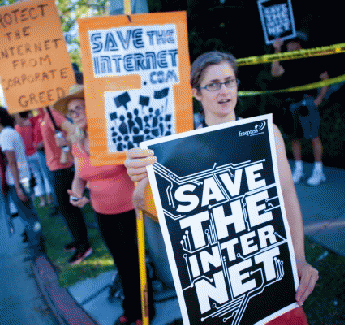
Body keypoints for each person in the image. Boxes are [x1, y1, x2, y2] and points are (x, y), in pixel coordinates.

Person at [124, 51, 318, 324]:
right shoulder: (178, 153)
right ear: (196, 93)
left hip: (274, 282)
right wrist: (140, 177)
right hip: (219, 292)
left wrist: (298, 257)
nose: (224, 91)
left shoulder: (266, 135)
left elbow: (287, 196)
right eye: (212, 84)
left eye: (229, 81)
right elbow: (149, 209)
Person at [57, 84, 154, 325]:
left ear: (93, 108)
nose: (75, 114)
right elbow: (79, 176)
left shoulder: (115, 135)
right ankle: (130, 309)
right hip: (103, 212)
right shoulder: (77, 143)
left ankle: (145, 311)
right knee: (120, 261)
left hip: (130, 209)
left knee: (135, 260)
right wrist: (75, 194)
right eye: (71, 111)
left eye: (79, 107)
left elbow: (137, 168)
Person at [271, 31, 329, 186]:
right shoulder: (287, 60)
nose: (288, 44)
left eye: (291, 41)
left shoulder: (312, 57)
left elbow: (325, 79)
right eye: (287, 42)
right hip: (291, 104)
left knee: (313, 136)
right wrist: (277, 50)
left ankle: (319, 171)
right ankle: (299, 170)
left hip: (307, 102)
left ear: (299, 43)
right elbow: (275, 73)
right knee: (295, 138)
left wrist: (318, 100)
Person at [38, 102, 92, 264]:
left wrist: (66, 147)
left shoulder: (52, 113)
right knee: (66, 208)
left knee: (68, 208)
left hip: (63, 166)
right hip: (56, 166)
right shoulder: (44, 115)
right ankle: (78, 240)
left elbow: (73, 130)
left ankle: (84, 246)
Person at [0, 106, 45, 255]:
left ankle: (37, 249)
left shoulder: (5, 135)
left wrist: (18, 187)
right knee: (30, 214)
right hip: (22, 179)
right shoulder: (8, 132)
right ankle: (37, 245)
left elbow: (12, 162)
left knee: (28, 217)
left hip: (19, 181)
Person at [15, 111, 54, 207]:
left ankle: (42, 200)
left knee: (37, 177)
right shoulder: (32, 123)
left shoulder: (17, 128)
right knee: (45, 175)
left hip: (27, 155)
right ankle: (49, 198)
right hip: (36, 152)